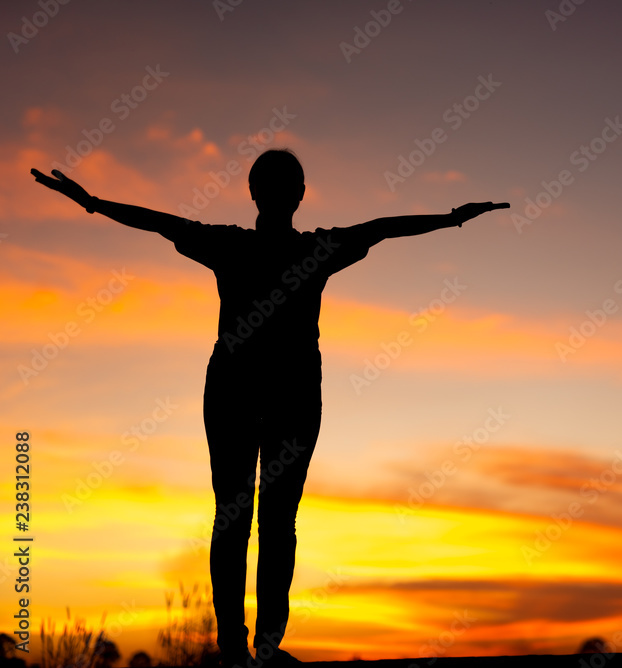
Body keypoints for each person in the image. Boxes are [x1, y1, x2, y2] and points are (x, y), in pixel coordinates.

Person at [31, 149, 509, 668]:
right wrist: (452, 218)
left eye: (286, 185)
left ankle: (252, 645)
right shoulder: (295, 248)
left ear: (271, 193)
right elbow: (379, 228)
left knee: (253, 516)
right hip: (256, 391)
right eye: (280, 185)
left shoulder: (259, 246)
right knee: (256, 517)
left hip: (276, 392)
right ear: (281, 193)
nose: (283, 194)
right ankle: (247, 646)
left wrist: (94, 203)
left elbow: (379, 228)